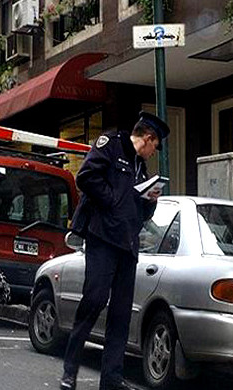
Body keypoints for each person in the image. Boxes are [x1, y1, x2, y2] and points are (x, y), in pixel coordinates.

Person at [60, 112, 170, 390]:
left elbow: (142, 213)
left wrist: (151, 200)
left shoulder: (142, 170)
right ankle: (70, 370)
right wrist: (113, 201)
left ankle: (111, 379)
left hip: (128, 246)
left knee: (121, 314)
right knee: (93, 302)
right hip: (103, 240)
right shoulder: (110, 145)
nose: (154, 152)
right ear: (147, 138)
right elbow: (85, 177)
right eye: (155, 145)